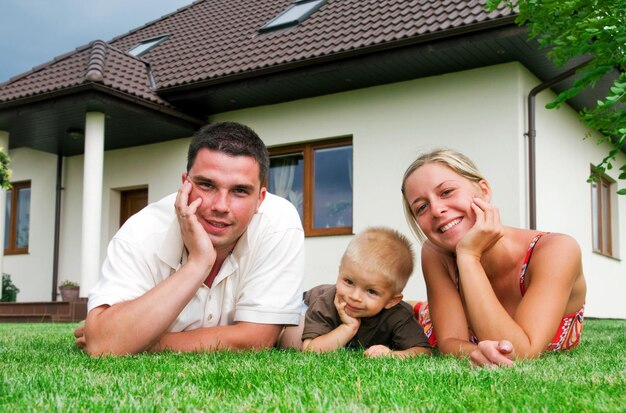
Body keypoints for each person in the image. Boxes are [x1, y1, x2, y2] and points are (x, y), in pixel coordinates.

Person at [74, 121, 305, 356]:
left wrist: (135, 339)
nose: (220, 206)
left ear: (260, 199)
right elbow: (104, 344)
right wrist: (199, 263)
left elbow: (256, 339)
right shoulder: (140, 233)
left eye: (239, 191)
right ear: (185, 183)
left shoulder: (278, 224)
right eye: (207, 185)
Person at [401, 148, 586, 367]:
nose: (436, 210)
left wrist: (469, 256)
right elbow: (450, 341)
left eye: (447, 191)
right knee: (398, 313)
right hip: (432, 315)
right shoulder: (435, 252)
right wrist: (474, 351)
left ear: (483, 190)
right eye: (421, 207)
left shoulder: (557, 250)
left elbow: (521, 352)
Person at [301, 227, 431, 358]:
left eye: (371, 291)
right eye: (349, 282)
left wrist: (392, 355)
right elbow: (310, 351)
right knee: (291, 339)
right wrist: (348, 327)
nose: (355, 297)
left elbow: (423, 351)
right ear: (340, 272)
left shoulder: (398, 315)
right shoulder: (325, 302)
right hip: (304, 306)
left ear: (391, 301)